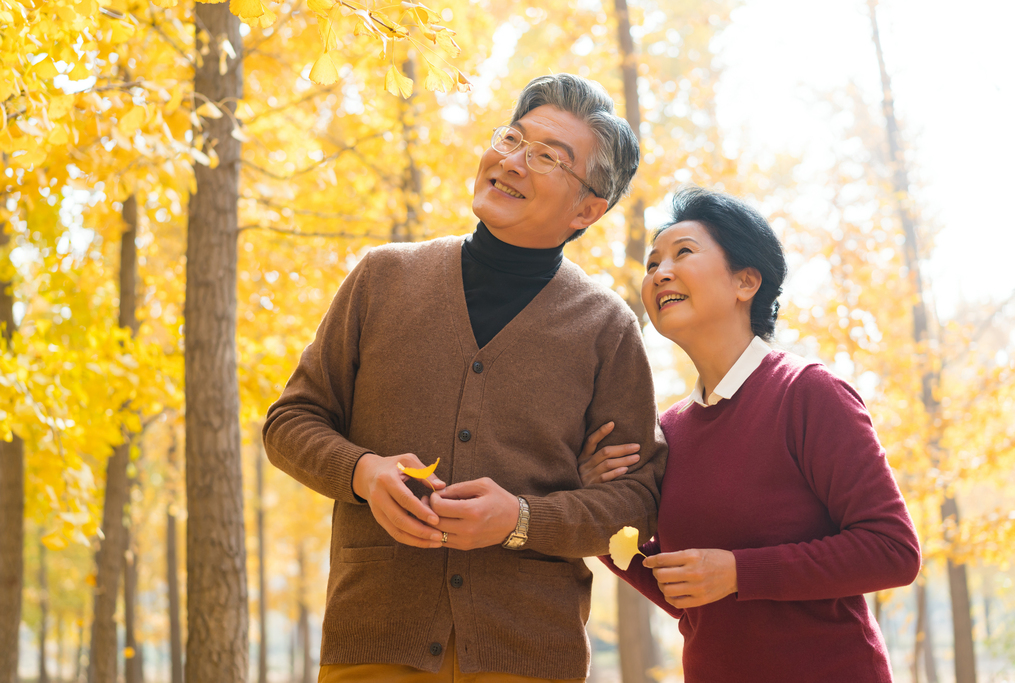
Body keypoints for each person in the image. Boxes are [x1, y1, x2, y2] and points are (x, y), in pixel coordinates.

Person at [263, 73, 668, 683]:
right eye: (512, 138)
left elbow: (636, 499)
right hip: (373, 642)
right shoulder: (382, 278)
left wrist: (523, 520)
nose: (512, 163)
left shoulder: (605, 327)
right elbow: (289, 421)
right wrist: (364, 474)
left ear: (588, 208)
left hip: (530, 654)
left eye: (548, 157)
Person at [579, 187, 921, 682]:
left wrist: (738, 572)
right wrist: (596, 505)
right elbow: (684, 593)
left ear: (745, 282)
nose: (659, 272)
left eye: (683, 253)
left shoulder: (808, 393)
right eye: (652, 264)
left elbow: (893, 549)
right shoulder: (667, 431)